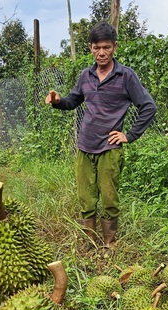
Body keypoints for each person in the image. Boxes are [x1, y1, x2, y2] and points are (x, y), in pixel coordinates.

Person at [45, 22, 156, 250]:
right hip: (85, 145)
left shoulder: (126, 76)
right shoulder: (85, 75)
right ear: (90, 48)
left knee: (108, 198)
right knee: (86, 197)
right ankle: (88, 240)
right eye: (97, 48)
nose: (101, 52)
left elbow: (148, 107)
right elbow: (73, 101)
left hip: (109, 148)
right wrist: (57, 101)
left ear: (115, 46)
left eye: (106, 47)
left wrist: (129, 135)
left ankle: (109, 242)